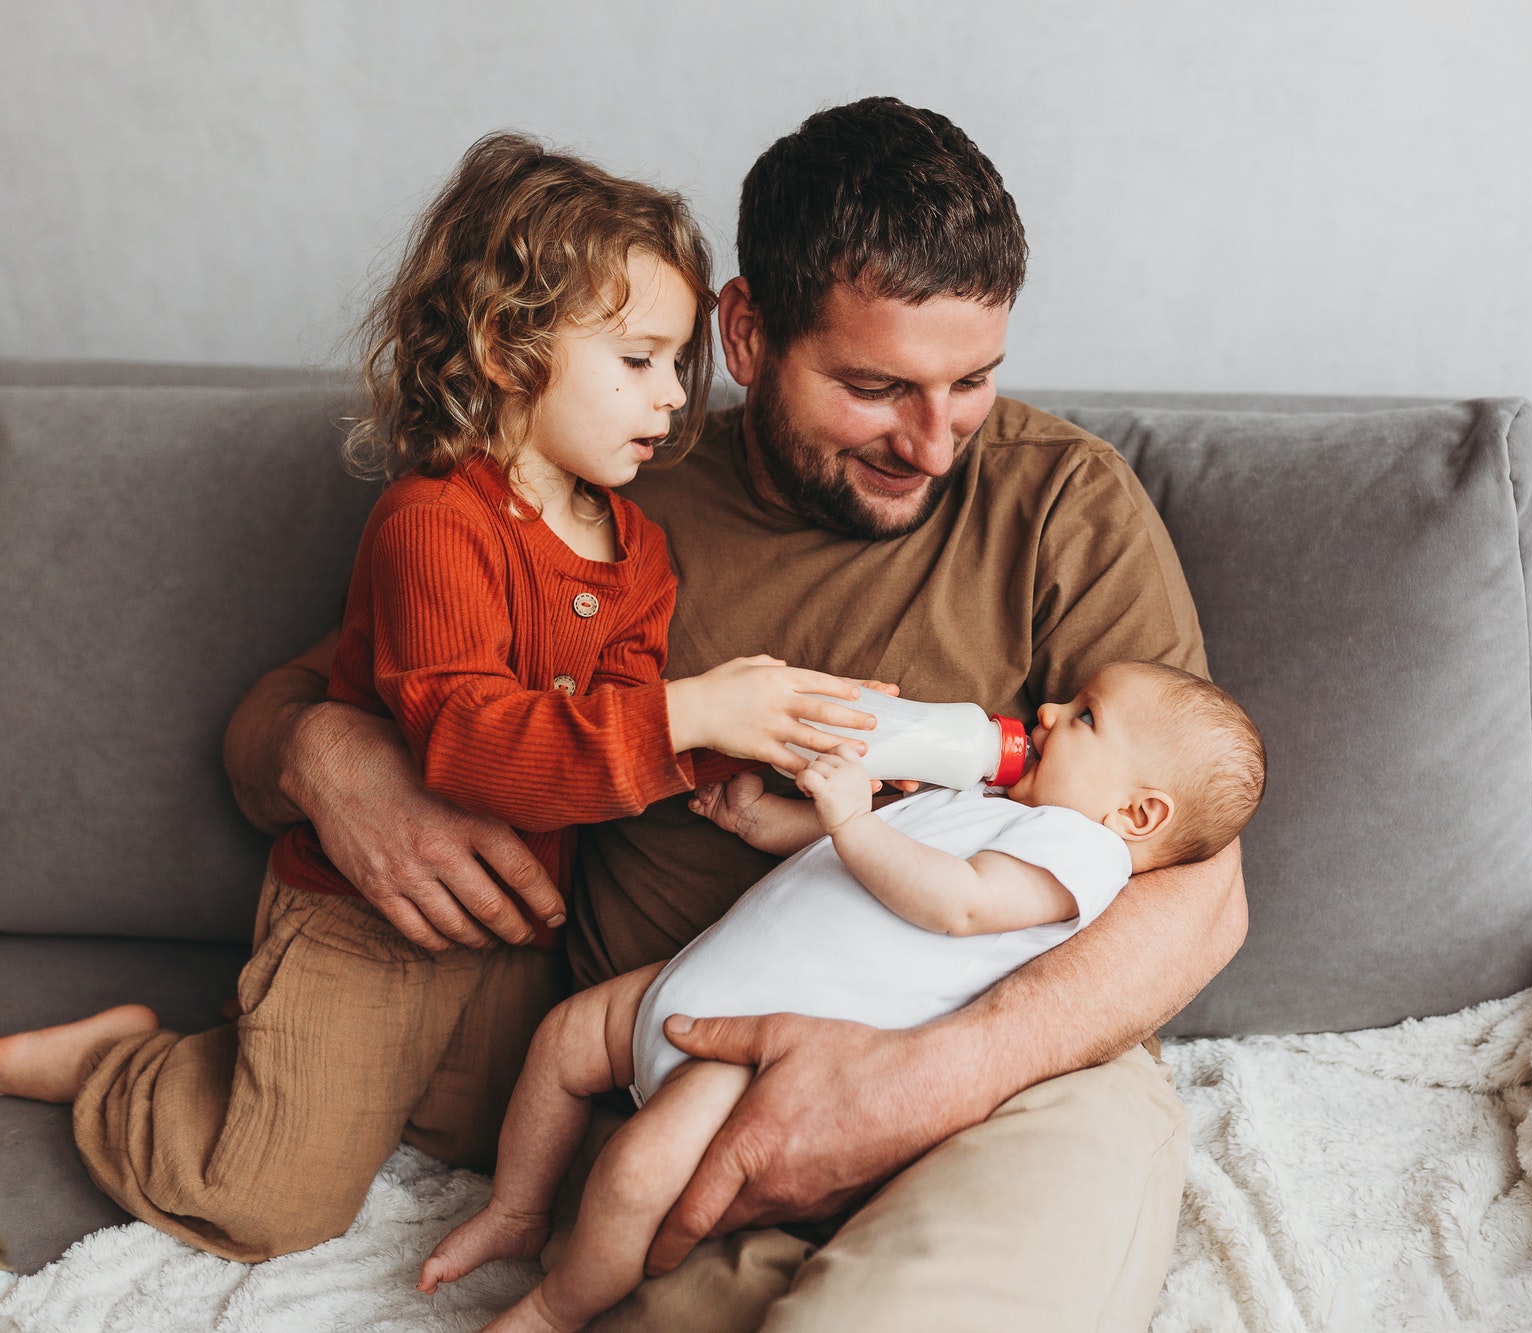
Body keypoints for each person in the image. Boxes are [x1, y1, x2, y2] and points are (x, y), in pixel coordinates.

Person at [226, 98, 1249, 1330]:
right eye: (876, 388)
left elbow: (1200, 888)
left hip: (1009, 1090)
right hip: (682, 1106)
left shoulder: (1061, 506)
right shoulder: (603, 495)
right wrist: (324, 757)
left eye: (970, 381)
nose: (932, 445)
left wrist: (918, 1082)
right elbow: (306, 705)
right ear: (749, 332)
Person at [0, 132, 883, 1261]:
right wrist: (694, 711)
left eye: (677, 363)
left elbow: (610, 750)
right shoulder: (433, 524)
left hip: (518, 926)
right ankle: (121, 1066)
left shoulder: (637, 548)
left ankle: (269, 1056)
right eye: (637, 359)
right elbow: (472, 743)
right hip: (363, 920)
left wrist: (780, 740)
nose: (672, 396)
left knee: (484, 1139)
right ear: (511, 350)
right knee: (270, 1201)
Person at [421, 662, 1267, 1333]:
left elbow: (959, 899)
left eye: (1084, 715)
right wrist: (771, 822)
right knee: (564, 1036)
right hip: (701, 980)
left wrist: (853, 821)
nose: (1046, 711)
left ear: (1140, 812)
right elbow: (865, 842)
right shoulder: (992, 798)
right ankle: (517, 1207)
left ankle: (557, 1307)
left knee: (637, 1172)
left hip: (754, 1043)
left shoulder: (1082, 854)